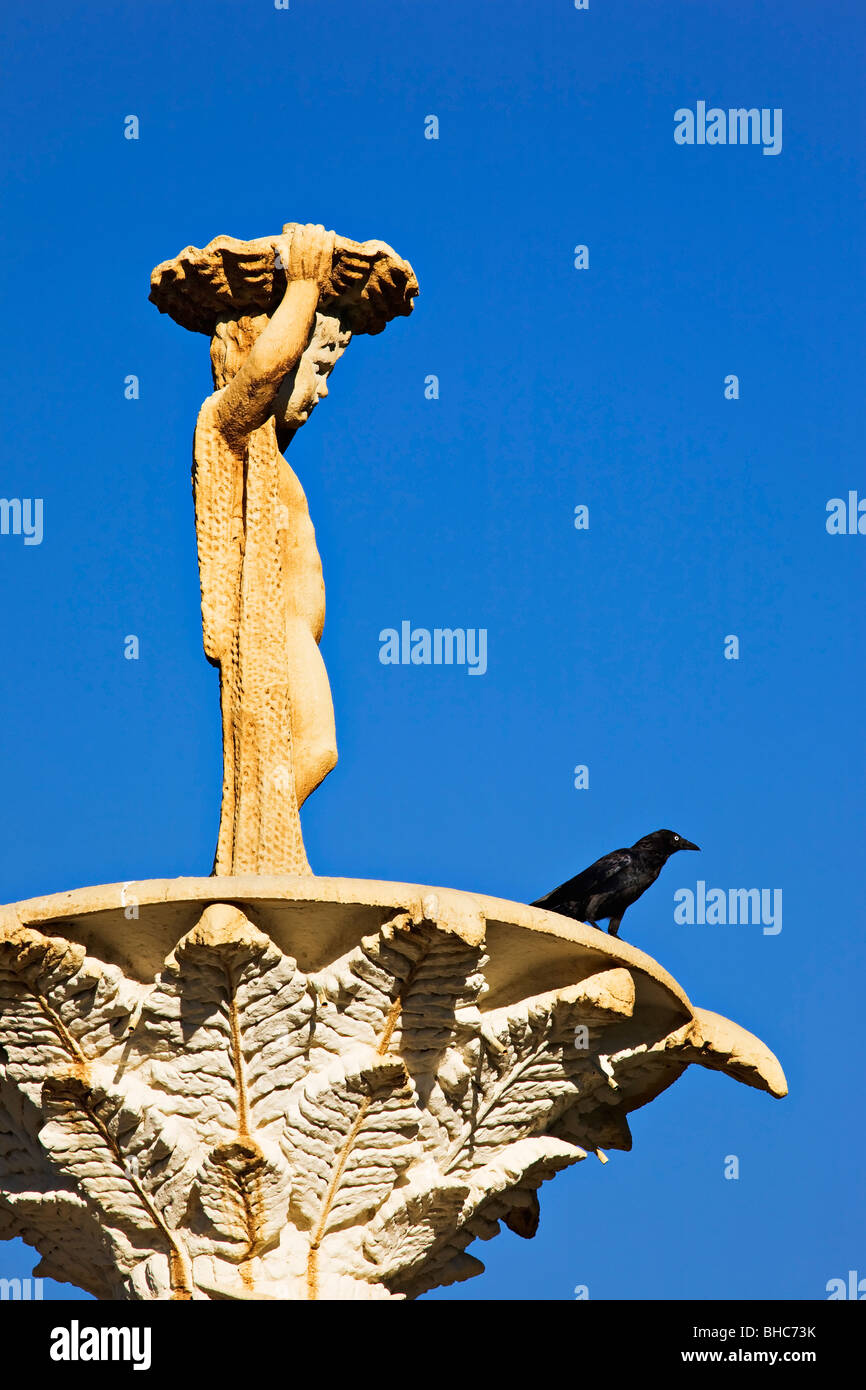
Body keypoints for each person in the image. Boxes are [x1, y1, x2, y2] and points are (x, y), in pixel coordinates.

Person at [192, 224, 351, 874]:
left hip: (296, 637)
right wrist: (305, 288)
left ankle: (261, 851)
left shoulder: (273, 459)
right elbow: (258, 380)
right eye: (316, 368)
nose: (322, 390)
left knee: (317, 750)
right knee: (311, 750)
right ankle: (258, 854)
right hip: (270, 636)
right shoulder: (228, 429)